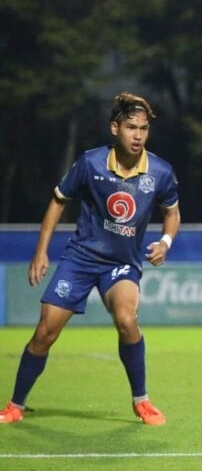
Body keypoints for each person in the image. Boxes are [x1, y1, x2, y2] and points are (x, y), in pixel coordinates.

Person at [0, 93, 180, 426]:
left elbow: (172, 213)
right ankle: (15, 405)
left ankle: (141, 400)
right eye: (131, 127)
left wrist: (166, 243)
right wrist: (41, 251)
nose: (138, 135)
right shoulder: (91, 163)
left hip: (121, 264)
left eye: (143, 129)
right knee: (45, 332)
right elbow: (58, 201)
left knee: (126, 319)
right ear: (115, 128)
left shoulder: (160, 171)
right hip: (80, 259)